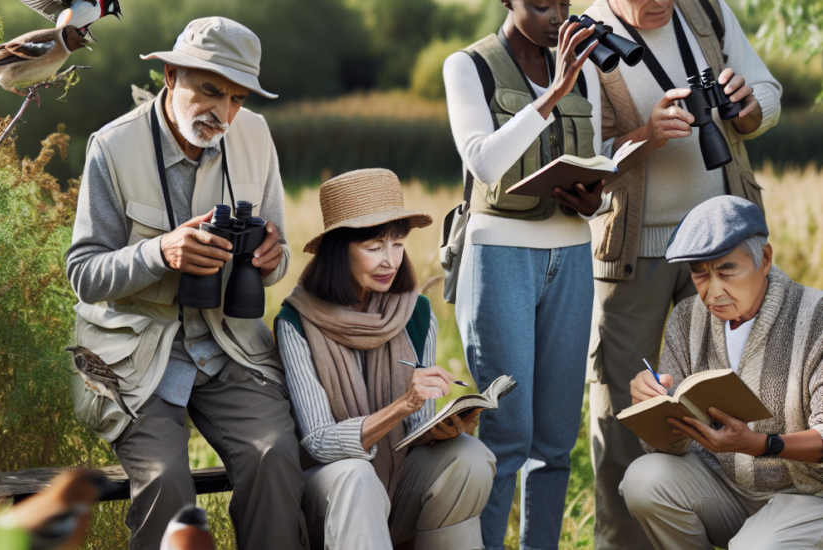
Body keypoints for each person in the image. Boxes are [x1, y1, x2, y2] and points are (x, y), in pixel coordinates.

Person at [65, 18, 307, 550]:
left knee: (275, 456)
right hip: (136, 351)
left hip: (228, 343)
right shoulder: (112, 146)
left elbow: (282, 251)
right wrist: (160, 252)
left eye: (238, 98)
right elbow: (83, 272)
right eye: (210, 90)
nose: (223, 113)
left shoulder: (256, 136)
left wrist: (270, 258)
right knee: (167, 483)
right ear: (171, 76)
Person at [581, 0, 783, 546]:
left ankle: (760, 527)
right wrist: (645, 134)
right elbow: (579, 159)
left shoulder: (706, 13)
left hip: (723, 249)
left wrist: (746, 109)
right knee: (628, 410)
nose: (661, 5)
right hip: (632, 254)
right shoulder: (583, 34)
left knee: (754, 392)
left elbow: (768, 92)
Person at [443, 1, 612, 547]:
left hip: (573, 257)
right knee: (507, 434)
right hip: (499, 258)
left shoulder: (586, 68)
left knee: (556, 441)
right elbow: (484, 163)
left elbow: (597, 161)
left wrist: (594, 200)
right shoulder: (467, 65)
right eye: (541, 4)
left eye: (564, 2)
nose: (556, 15)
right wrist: (554, 93)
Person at [274, 168, 496, 550]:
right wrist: (401, 405)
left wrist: (445, 428)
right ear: (337, 249)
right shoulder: (296, 322)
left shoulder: (416, 313)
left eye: (397, 244)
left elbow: (417, 427)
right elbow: (318, 443)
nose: (389, 261)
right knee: (356, 475)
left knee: (468, 456)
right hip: (329, 495)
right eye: (374, 246)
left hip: (398, 481)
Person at [622, 195, 823, 549]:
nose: (713, 291)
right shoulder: (687, 319)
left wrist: (761, 444)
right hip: (726, 487)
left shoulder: (816, 317)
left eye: (727, 269)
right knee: (643, 480)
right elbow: (668, 448)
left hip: (810, 496)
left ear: (764, 259)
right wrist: (650, 404)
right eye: (700, 273)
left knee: (754, 546)